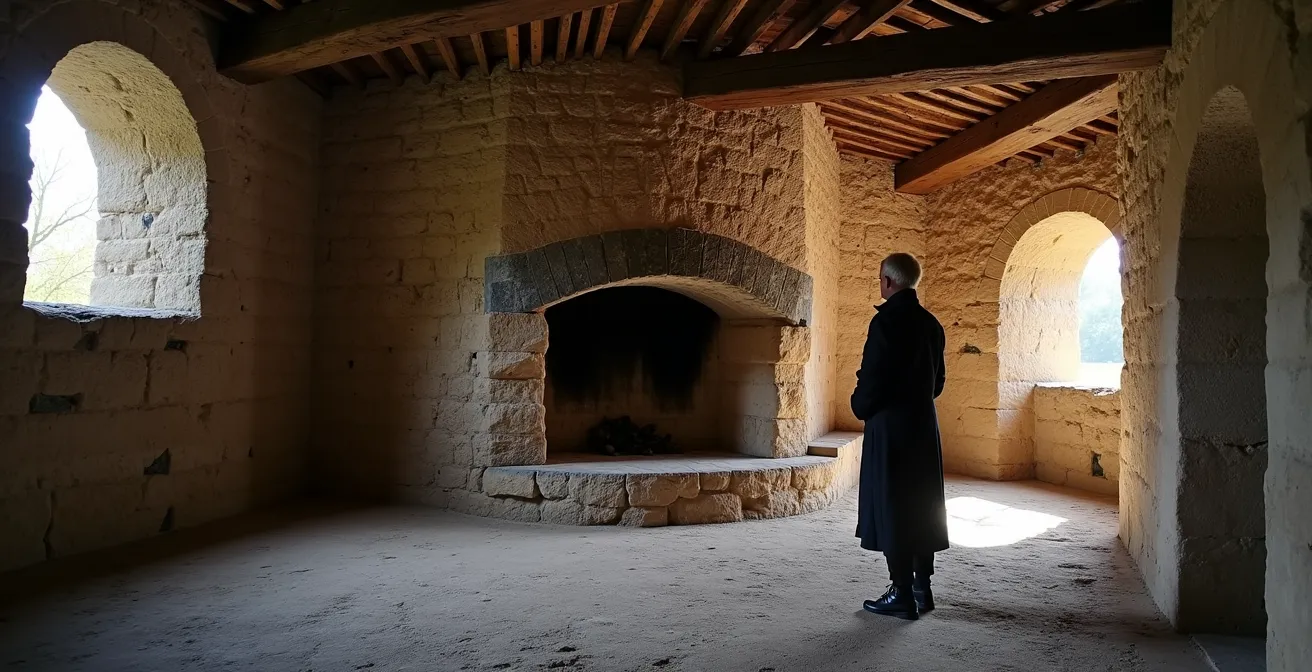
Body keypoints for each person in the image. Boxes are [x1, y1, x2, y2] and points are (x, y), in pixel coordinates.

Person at [851, 252, 949, 620]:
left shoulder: (885, 323)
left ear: (888, 281)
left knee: (892, 505)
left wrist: (859, 405)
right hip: (922, 425)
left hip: (890, 429)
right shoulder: (931, 324)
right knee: (921, 503)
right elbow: (937, 383)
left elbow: (873, 379)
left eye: (880, 279)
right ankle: (923, 587)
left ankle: (901, 593)